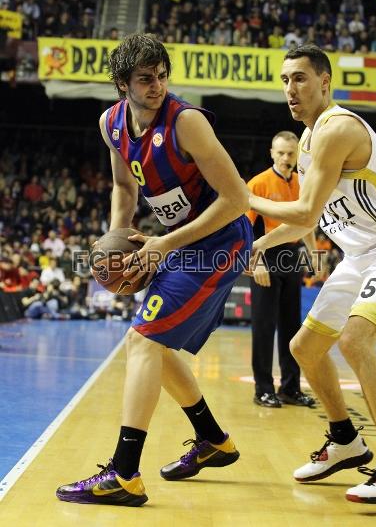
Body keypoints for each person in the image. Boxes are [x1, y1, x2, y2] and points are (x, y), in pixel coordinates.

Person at [56, 33, 252, 507]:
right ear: (122, 83)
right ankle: (213, 440)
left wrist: (165, 244)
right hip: (179, 242)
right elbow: (124, 187)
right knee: (156, 347)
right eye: (145, 78)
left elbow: (238, 199)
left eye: (162, 76)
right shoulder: (112, 125)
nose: (157, 85)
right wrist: (114, 244)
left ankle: (124, 474)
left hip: (219, 241)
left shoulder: (186, 123)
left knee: (142, 340)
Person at [249, 44, 376, 504]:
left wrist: (242, 196)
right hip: (360, 255)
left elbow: (306, 207)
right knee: (304, 348)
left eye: (300, 78)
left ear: (324, 82)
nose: (290, 89)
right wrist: (259, 244)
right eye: (285, 80)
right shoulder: (310, 141)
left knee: (355, 342)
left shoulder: (337, 129)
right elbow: (306, 221)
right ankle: (345, 440)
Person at [247, 131, 316, 408]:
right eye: (282, 153)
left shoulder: (303, 183)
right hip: (264, 254)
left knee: (291, 326)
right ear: (272, 153)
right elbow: (245, 229)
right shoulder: (258, 183)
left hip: (292, 255)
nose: (286, 158)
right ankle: (263, 388)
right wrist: (257, 261)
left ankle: (290, 388)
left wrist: (314, 255)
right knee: (264, 326)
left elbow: (307, 221)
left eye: (291, 153)